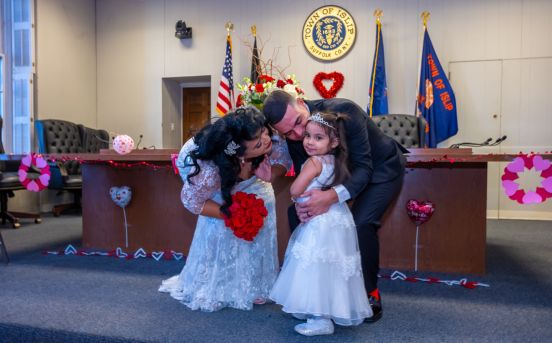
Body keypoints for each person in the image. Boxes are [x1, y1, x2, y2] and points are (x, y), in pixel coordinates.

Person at [263, 91, 407, 322]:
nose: (299, 135)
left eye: (299, 123)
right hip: (336, 174)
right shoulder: (296, 136)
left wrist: (331, 197)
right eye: (288, 133)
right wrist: (302, 204)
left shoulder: (344, 111)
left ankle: (370, 292)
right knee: (297, 216)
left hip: (379, 170)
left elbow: (363, 167)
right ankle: (314, 290)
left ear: (301, 102)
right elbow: (306, 174)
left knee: (361, 223)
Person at [159, 106, 291, 312]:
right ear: (239, 153)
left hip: (255, 182)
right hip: (220, 180)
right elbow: (193, 202)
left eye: (264, 132)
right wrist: (230, 213)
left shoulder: (265, 135)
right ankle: (221, 286)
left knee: (258, 225)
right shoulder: (210, 173)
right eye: (258, 144)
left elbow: (283, 157)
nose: (266, 140)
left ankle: (257, 285)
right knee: (222, 229)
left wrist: (268, 174)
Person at [270, 112, 372, 336]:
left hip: (319, 222)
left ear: (333, 142)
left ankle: (319, 319)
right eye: (307, 135)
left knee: (314, 266)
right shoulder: (336, 161)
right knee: (330, 267)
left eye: (318, 138)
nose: (309, 141)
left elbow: (296, 189)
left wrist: (297, 196)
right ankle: (322, 308)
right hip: (338, 218)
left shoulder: (314, 162)